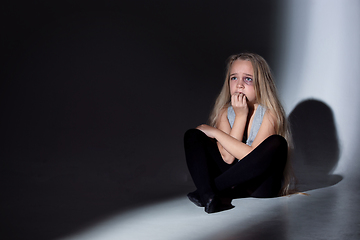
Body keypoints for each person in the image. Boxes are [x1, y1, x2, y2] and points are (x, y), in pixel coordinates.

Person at [184, 53, 294, 214]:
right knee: (192, 135)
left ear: (261, 84)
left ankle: (206, 190)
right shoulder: (224, 112)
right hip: (232, 184)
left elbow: (252, 158)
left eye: (248, 79)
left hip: (259, 187)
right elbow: (227, 158)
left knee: (278, 142)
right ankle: (208, 196)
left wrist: (214, 132)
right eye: (234, 78)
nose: (239, 85)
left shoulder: (269, 114)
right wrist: (240, 116)